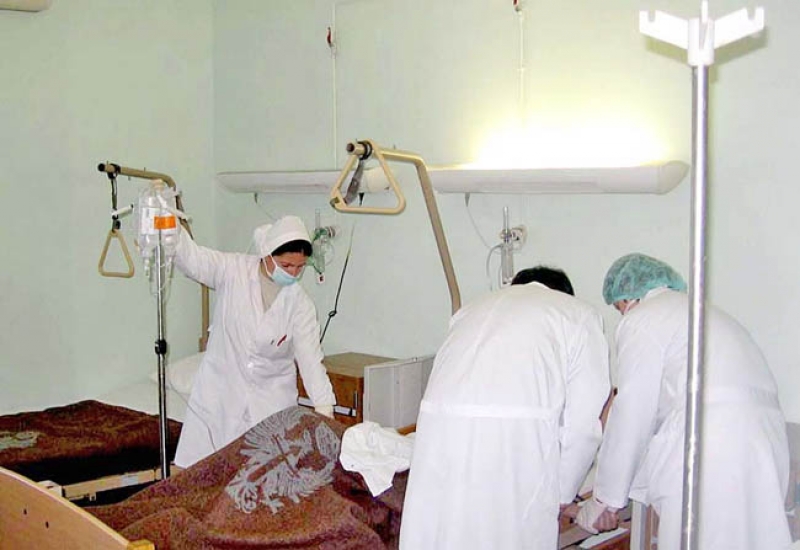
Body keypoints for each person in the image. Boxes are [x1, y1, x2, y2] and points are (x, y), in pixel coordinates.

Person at [577, 253, 791, 550]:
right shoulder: (707, 313)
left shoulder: (642, 319)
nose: (622, 314)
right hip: (764, 442)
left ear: (627, 298)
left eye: (619, 307)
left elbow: (632, 413)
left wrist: (604, 501)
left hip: (712, 445)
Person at [399, 266, 610, 550]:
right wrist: (561, 495)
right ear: (563, 294)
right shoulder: (578, 314)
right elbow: (583, 426)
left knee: (438, 532)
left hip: (438, 443)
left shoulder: (470, 310)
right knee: (503, 533)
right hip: (509, 453)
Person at [173, 215, 336, 468]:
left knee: (265, 478)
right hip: (220, 397)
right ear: (268, 254)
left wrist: (324, 409)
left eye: (300, 267)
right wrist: (168, 224)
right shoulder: (232, 270)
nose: (293, 273)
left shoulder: (300, 304)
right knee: (205, 475)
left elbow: (311, 361)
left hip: (271, 403)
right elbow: (192, 260)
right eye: (286, 265)